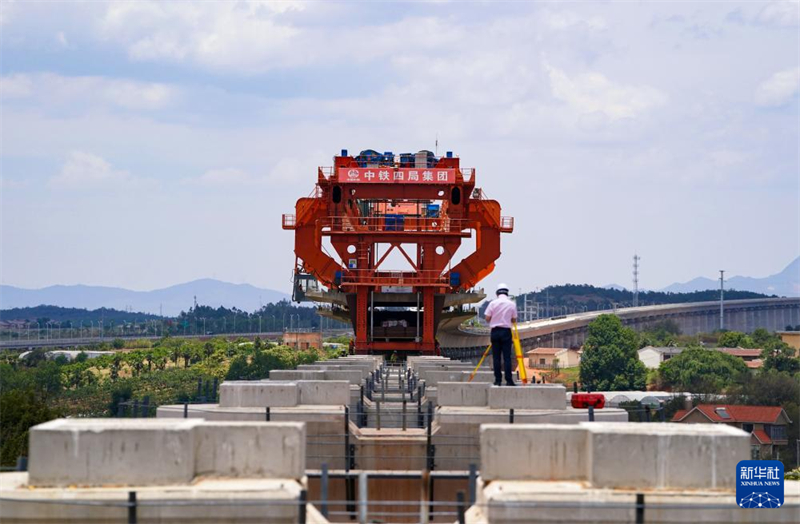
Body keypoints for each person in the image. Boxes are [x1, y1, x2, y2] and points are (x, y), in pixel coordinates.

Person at [483, 282, 518, 386]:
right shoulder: (512, 304)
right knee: (507, 357)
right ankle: (509, 380)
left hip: (495, 331)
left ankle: (498, 380)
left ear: (497, 293)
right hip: (506, 332)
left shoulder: (493, 303)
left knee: (496, 357)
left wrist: (495, 319)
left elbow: (487, 318)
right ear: (507, 293)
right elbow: (514, 319)